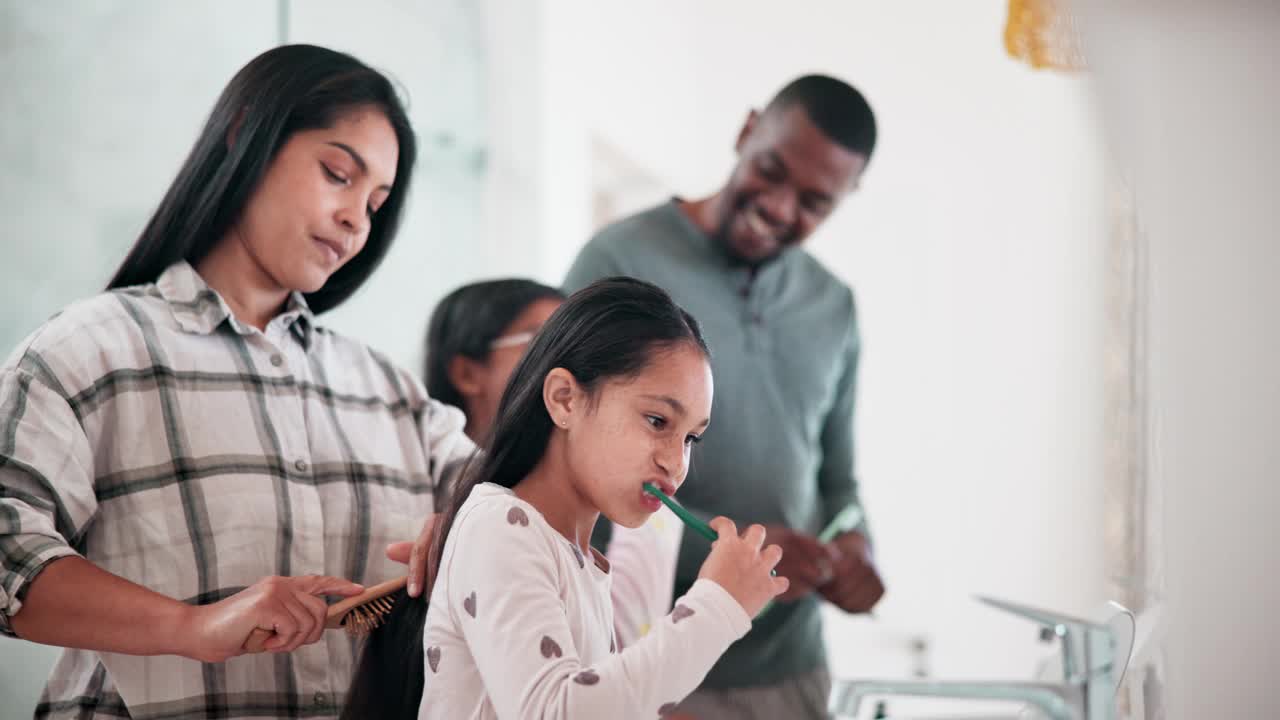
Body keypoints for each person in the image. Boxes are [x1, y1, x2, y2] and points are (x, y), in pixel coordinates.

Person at [0, 44, 471, 719]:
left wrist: (471, 524)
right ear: (246, 130)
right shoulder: (91, 351)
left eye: (375, 203)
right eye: (338, 174)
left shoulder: (391, 394)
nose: (356, 221)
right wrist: (195, 628)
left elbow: (510, 498)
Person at [564, 74, 886, 719]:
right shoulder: (618, 260)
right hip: (647, 656)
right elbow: (565, 468)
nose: (780, 207)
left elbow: (839, 482)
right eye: (770, 170)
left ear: (846, 199)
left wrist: (856, 550)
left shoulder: (834, 307)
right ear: (746, 131)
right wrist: (731, 560)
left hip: (790, 670)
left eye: (815, 202)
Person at [342, 278, 788, 719]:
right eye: (657, 420)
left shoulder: (579, 560)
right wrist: (715, 608)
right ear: (564, 399)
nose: (676, 461)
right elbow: (553, 711)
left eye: (692, 438)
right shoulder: (499, 526)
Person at [422, 278, 686, 648]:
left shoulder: (601, 495)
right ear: (466, 373)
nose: (569, 361)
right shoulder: (490, 519)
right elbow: (595, 674)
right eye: (541, 341)